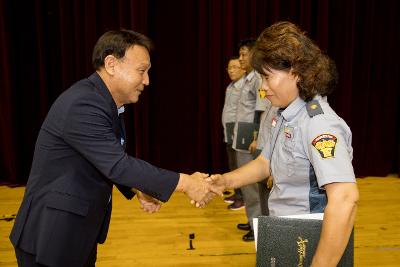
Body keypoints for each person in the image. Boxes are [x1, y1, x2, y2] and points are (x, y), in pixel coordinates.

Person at [9, 30, 220, 267]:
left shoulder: (99, 100)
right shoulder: (84, 103)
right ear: (111, 64)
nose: (147, 81)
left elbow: (104, 157)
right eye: (142, 71)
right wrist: (187, 183)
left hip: (73, 232)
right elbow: (117, 165)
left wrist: (138, 187)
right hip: (52, 235)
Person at [209, 21, 359, 266]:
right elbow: (265, 163)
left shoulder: (319, 124)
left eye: (267, 78)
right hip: (284, 229)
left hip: (311, 237)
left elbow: (345, 199)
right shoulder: (283, 114)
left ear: (296, 73)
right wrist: (225, 181)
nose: (264, 88)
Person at [231, 39, 268, 241]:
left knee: (251, 184)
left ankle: (257, 226)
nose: (241, 58)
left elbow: (260, 109)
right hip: (241, 133)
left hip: (250, 135)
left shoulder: (258, 78)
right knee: (246, 184)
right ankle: (251, 218)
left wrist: (256, 135)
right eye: (240, 54)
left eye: (244, 54)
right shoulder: (247, 78)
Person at [221, 56, 246, 209]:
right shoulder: (231, 86)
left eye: (234, 67)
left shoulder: (244, 85)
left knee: (239, 164)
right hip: (229, 128)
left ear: (243, 68)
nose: (231, 70)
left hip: (238, 129)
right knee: (232, 163)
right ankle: (237, 193)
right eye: (229, 68)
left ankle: (242, 197)